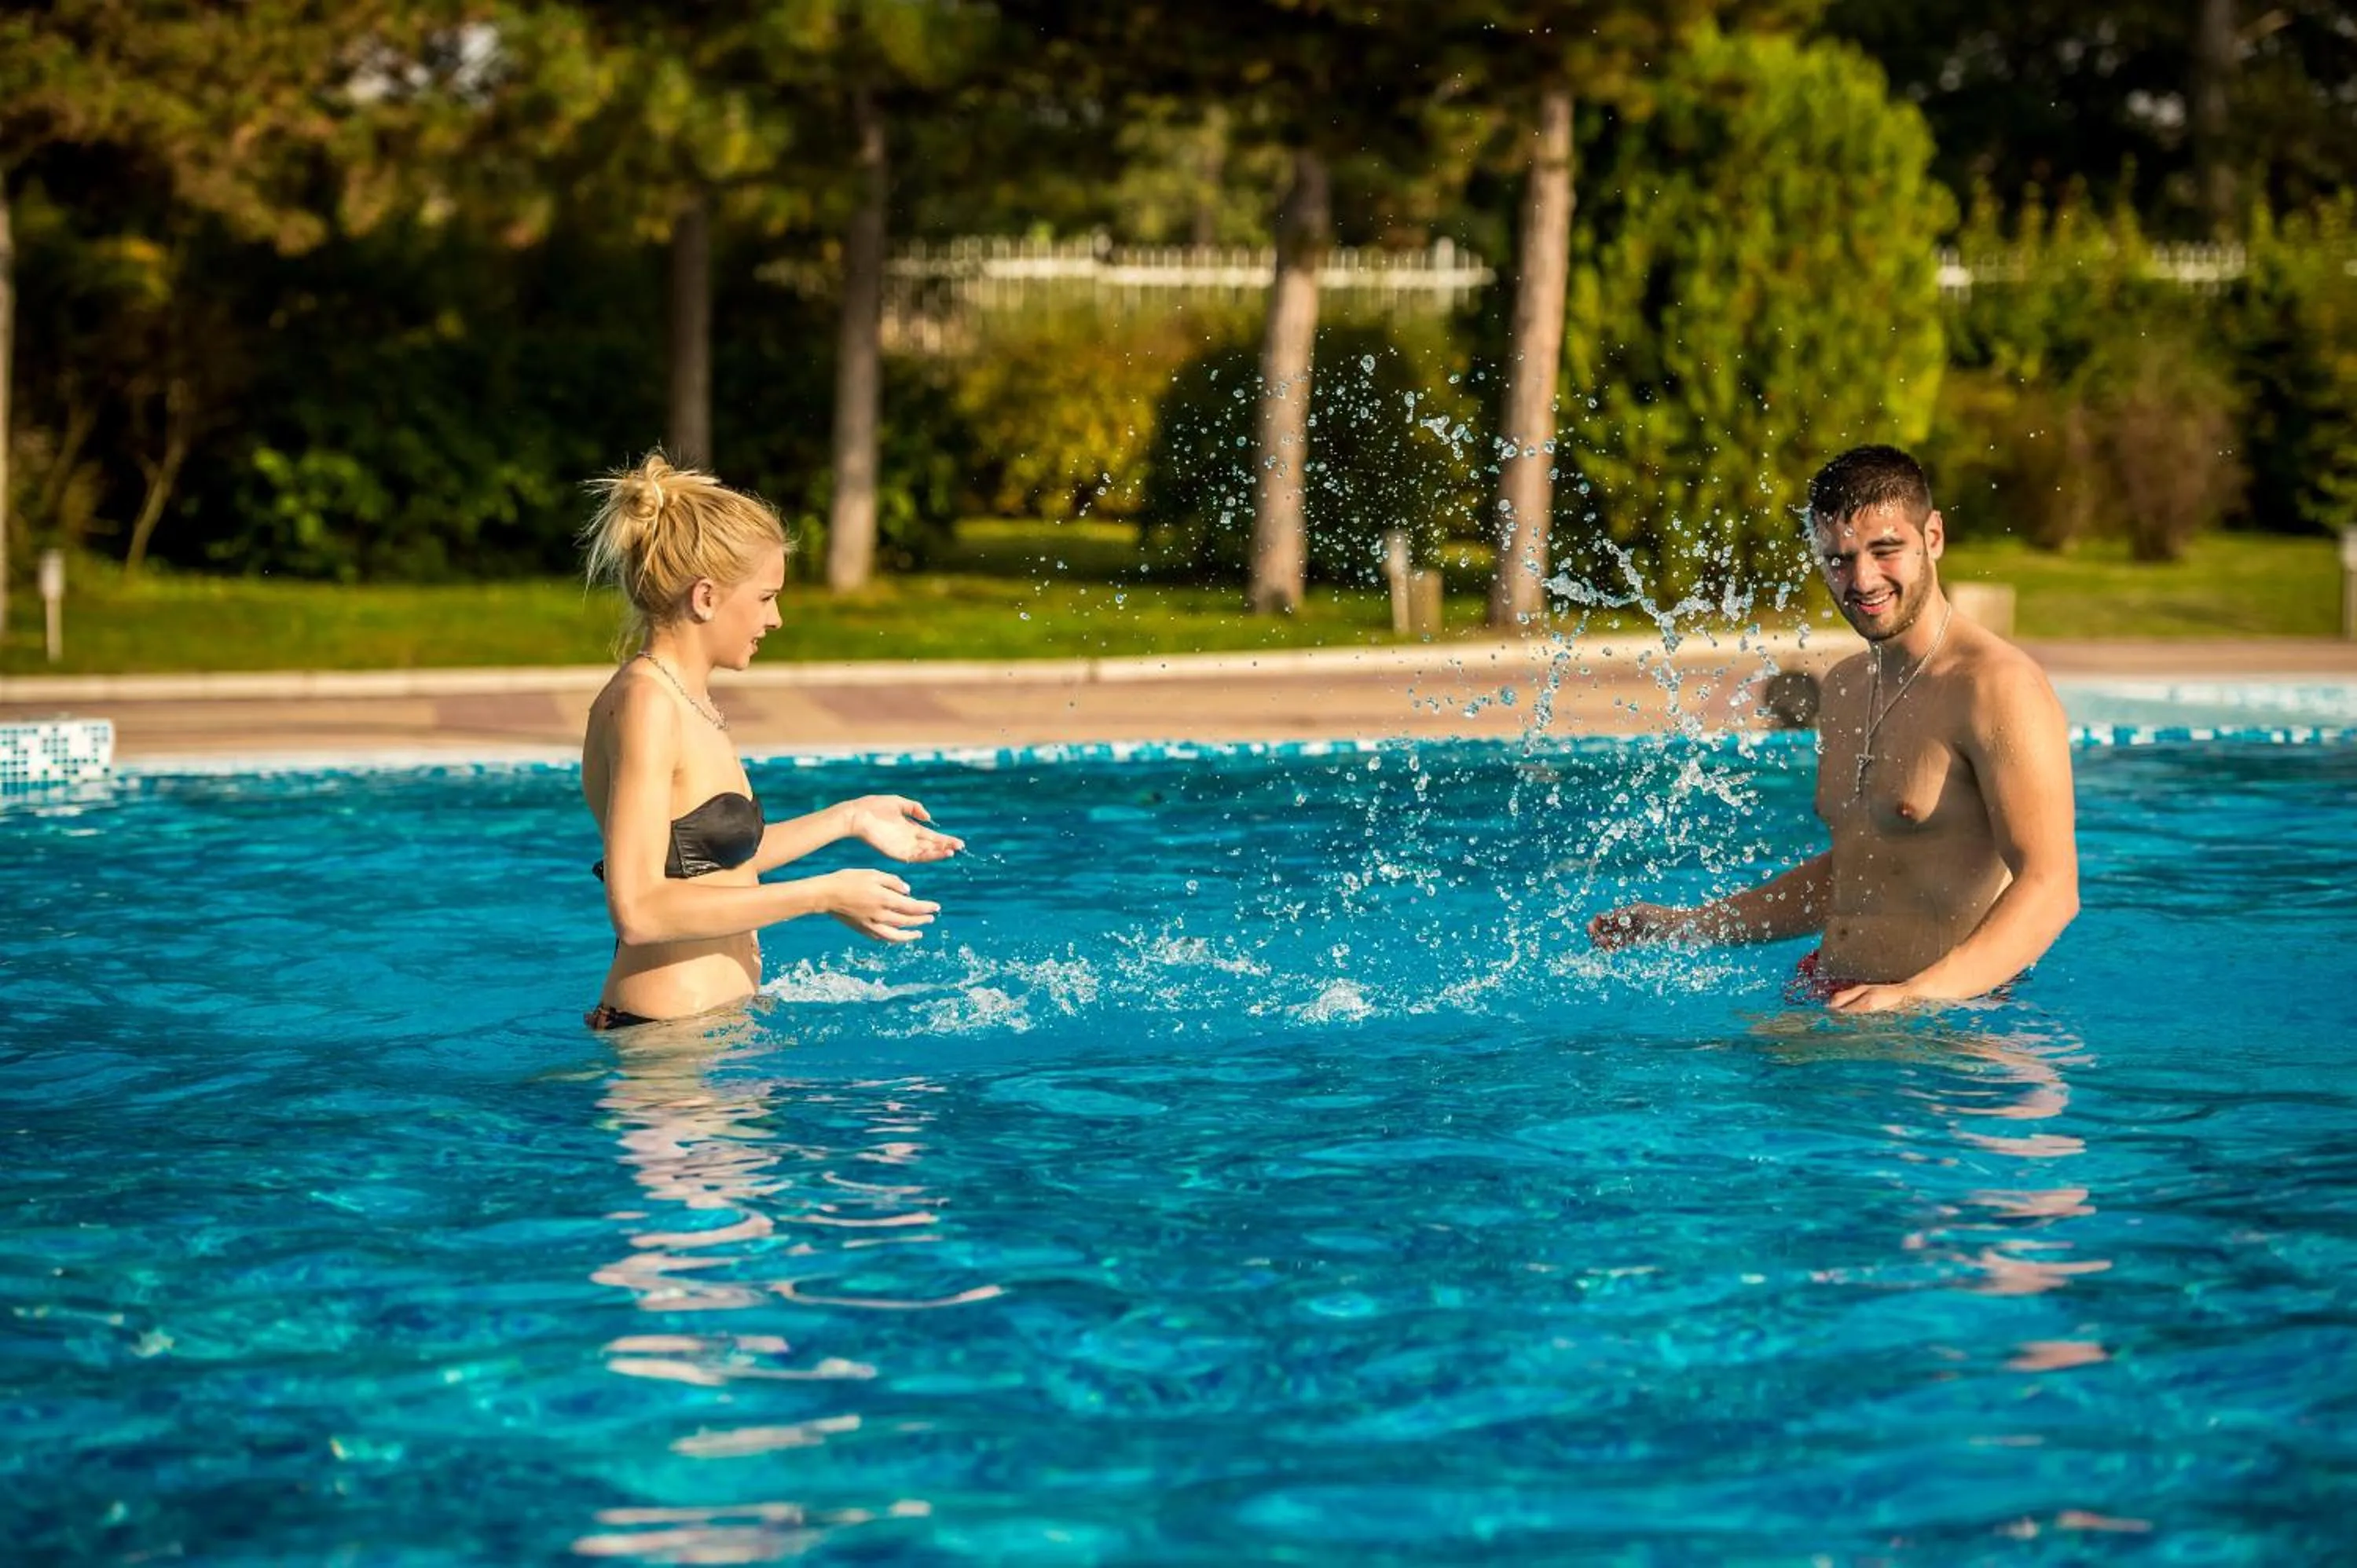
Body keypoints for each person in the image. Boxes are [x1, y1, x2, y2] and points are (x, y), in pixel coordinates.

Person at [1588, 444, 2078, 1012]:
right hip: (1835, 995)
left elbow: (2051, 887)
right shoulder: (1846, 688)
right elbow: (1856, 871)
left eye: (1885, 550)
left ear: (1934, 537)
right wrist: (1690, 925)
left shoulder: (1997, 687)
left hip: (1953, 1019)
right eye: (1839, 560)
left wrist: (1916, 996)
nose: (1862, 580)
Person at [577, 453, 962, 1031]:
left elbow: (712, 865)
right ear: (706, 598)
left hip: (713, 1032)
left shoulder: (686, 699)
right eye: (765, 597)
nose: (777, 618)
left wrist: (849, 818)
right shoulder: (647, 704)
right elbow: (639, 910)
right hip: (664, 1050)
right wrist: (823, 895)